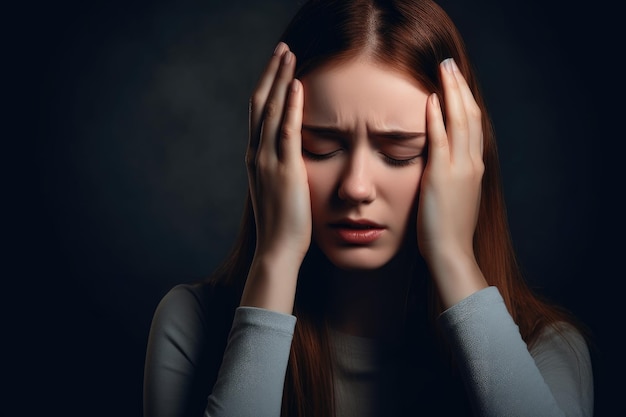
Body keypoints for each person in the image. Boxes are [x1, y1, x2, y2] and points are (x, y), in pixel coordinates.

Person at [142, 0, 594, 416]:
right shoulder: (191, 325)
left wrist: (453, 255)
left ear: (463, 162)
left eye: (399, 153)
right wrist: (275, 258)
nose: (356, 187)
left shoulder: (544, 349)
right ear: (269, 154)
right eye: (318, 147)